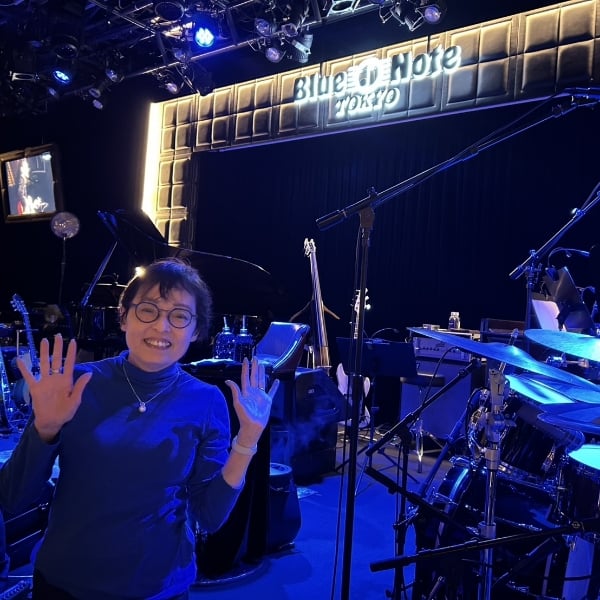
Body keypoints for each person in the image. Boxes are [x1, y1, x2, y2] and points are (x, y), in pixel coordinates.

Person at [0, 257, 277, 599]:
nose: (162, 327)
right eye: (148, 310)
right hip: (64, 583)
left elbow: (209, 516)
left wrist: (248, 439)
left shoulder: (206, 401)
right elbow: (14, 498)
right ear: (123, 316)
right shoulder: (77, 384)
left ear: (196, 331)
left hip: (159, 588)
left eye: (180, 316)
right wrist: (44, 429)